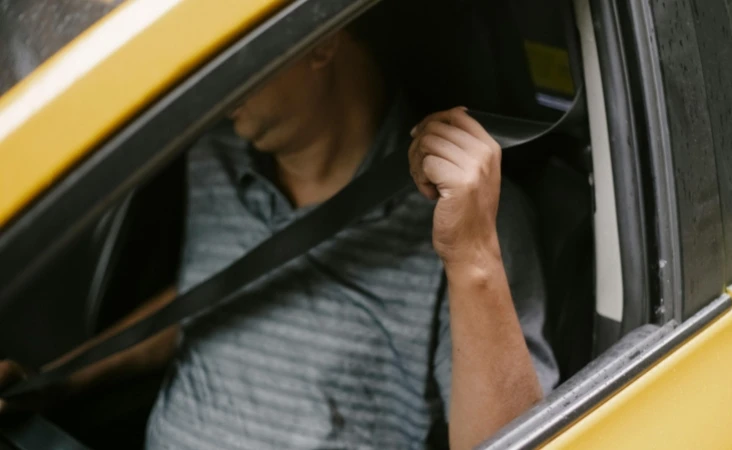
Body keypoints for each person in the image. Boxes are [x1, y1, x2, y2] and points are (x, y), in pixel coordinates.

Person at [0, 10, 558, 450]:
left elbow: (509, 441)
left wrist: (473, 260)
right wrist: (59, 380)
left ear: (317, 41)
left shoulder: (468, 217)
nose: (207, 76)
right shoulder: (214, 149)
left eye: (232, 51)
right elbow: (212, 294)